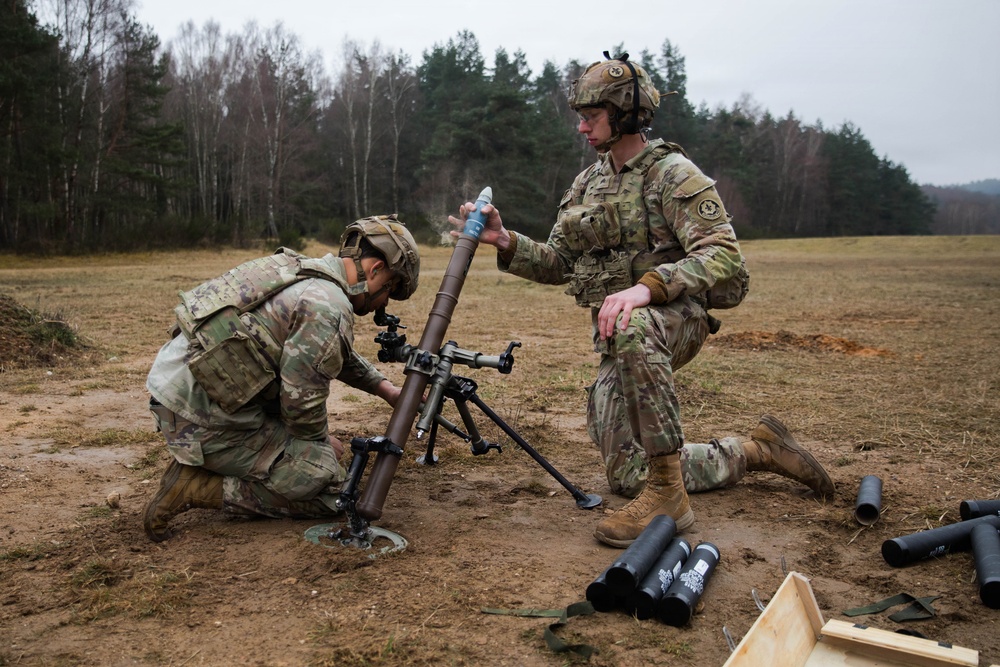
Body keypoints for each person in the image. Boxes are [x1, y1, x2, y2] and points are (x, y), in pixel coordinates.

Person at [450, 54, 834, 548]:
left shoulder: (671, 173)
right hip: (622, 334)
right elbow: (561, 263)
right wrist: (506, 241)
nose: (582, 127)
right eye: (581, 117)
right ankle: (756, 451)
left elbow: (723, 254)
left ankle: (670, 497)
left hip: (676, 319)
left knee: (633, 324)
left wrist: (646, 287)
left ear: (624, 114)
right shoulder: (588, 183)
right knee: (628, 475)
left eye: (591, 117)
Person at [142, 215, 420, 542]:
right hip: (199, 419)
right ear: (374, 271)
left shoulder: (303, 271)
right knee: (331, 487)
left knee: (327, 453)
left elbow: (323, 347)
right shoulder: (329, 304)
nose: (383, 303)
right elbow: (302, 409)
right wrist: (316, 451)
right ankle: (197, 486)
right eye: (389, 289)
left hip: (180, 392)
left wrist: (384, 388)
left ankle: (224, 460)